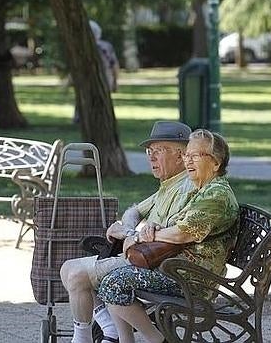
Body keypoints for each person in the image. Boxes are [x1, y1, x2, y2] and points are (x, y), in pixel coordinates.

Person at [97, 129, 240, 343]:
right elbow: (176, 225)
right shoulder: (202, 188)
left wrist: (142, 237)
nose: (188, 161)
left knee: (114, 283)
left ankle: (157, 340)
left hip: (193, 279)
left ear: (216, 163)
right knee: (112, 279)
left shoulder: (216, 194)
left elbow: (182, 234)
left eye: (195, 156)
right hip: (176, 269)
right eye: (186, 155)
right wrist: (152, 227)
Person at [60, 121, 194, 343]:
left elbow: (170, 234)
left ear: (180, 156)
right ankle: (110, 331)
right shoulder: (168, 185)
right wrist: (128, 229)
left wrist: (132, 236)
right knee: (68, 269)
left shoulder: (185, 188)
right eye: (149, 151)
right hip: (142, 257)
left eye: (158, 151)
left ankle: (86, 338)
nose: (151, 158)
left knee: (75, 274)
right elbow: (134, 210)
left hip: (156, 263)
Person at [73, 20, 120, 124]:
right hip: (105, 78)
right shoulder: (106, 46)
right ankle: (103, 120)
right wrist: (115, 81)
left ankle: (80, 119)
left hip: (87, 78)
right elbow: (114, 65)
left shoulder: (82, 47)